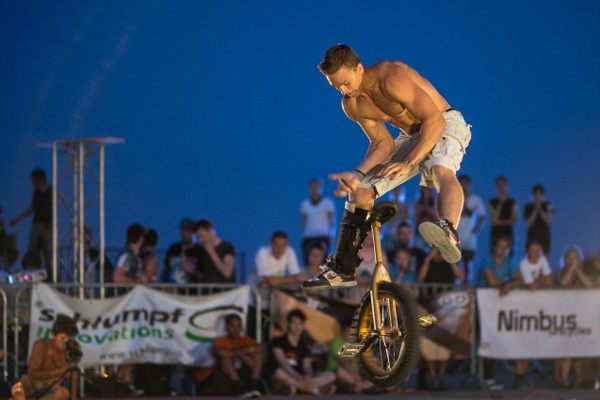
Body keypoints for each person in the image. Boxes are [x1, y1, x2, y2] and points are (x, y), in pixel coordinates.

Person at [302, 44, 471, 290]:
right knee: (360, 192)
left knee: (439, 169)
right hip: (410, 136)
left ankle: (448, 227)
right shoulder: (352, 104)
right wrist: (358, 174)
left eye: (345, 82)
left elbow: (433, 120)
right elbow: (382, 143)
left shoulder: (391, 78)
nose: (343, 90)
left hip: (443, 122)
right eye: (336, 86)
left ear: (359, 68)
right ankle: (343, 267)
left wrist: (409, 162)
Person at [267, 309, 336, 395]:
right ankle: (314, 390)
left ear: (303, 326)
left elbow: (306, 365)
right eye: (294, 323)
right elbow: (282, 362)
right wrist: (296, 375)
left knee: (331, 375)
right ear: (288, 324)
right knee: (279, 373)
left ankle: (300, 388)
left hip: (300, 378)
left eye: (300, 324)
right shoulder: (278, 341)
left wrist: (308, 377)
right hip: (286, 375)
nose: (297, 326)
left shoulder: (303, 346)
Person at [514, 240, 553, 388]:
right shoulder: (524, 264)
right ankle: (519, 374)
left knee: (531, 343)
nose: (536, 253)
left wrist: (540, 280)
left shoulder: (542, 260)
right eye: (533, 250)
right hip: (523, 309)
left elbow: (549, 282)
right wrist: (541, 278)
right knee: (522, 341)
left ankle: (521, 374)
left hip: (538, 310)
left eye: (538, 250)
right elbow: (532, 287)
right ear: (528, 252)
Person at [554, 246, 592, 388]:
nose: (573, 260)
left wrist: (577, 270)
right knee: (565, 349)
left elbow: (588, 285)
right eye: (570, 257)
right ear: (564, 260)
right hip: (564, 316)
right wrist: (571, 269)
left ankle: (580, 378)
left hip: (581, 316)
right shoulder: (559, 272)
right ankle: (562, 379)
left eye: (575, 257)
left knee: (580, 349)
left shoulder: (584, 272)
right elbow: (564, 283)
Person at [15, 314, 78, 400]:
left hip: (56, 387)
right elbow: (32, 373)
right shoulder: (41, 345)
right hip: (36, 383)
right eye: (63, 338)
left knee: (63, 393)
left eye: (69, 339)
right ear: (54, 335)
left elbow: (74, 372)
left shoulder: (72, 348)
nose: (66, 342)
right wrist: (59, 371)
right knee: (23, 382)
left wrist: (73, 397)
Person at [9, 169, 53, 280]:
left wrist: (51, 228)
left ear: (39, 180)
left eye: (34, 180)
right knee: (32, 254)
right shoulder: (36, 193)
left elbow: (55, 210)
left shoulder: (50, 192)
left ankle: (50, 279)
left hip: (46, 226)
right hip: (36, 225)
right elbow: (32, 209)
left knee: (48, 255)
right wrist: (17, 219)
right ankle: (31, 276)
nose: (32, 183)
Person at [211, 314, 263, 396]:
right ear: (226, 328)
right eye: (232, 326)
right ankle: (239, 386)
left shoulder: (245, 339)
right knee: (225, 358)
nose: (236, 329)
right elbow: (219, 352)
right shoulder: (220, 340)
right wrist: (236, 353)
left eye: (238, 326)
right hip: (226, 373)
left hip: (244, 369)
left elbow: (261, 348)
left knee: (258, 355)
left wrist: (244, 353)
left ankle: (254, 383)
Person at [325, 321, 374, 394]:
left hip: (355, 375)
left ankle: (362, 386)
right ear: (343, 332)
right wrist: (357, 378)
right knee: (342, 371)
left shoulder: (354, 345)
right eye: (349, 333)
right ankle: (361, 386)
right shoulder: (336, 343)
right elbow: (344, 363)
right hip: (339, 374)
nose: (352, 335)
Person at [457, 174, 486, 284]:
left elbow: (482, 215)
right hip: (457, 237)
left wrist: (476, 230)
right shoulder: (455, 198)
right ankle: (457, 285)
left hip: (469, 239)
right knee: (456, 263)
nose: (463, 186)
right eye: (461, 183)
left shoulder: (475, 199)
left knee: (469, 264)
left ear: (469, 185)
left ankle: (468, 286)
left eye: (465, 183)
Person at [300, 179, 336, 265]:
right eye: (312, 187)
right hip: (309, 236)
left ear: (321, 188)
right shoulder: (305, 204)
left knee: (324, 263)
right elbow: (303, 220)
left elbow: (332, 220)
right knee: (308, 261)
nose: (314, 189)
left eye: (316, 187)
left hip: (323, 236)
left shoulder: (328, 202)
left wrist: (331, 235)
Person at [162, 218, 205, 284]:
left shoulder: (200, 251)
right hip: (171, 291)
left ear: (193, 232)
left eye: (187, 231)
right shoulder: (174, 248)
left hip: (190, 292)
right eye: (182, 230)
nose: (183, 233)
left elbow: (204, 276)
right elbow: (165, 270)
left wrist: (191, 271)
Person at [195, 219, 236, 283]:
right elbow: (203, 275)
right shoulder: (203, 250)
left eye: (202, 236)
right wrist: (191, 270)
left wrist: (212, 253)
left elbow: (227, 273)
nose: (200, 239)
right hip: (209, 291)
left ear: (210, 231)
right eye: (198, 237)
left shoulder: (226, 247)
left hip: (226, 291)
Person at [488, 176, 518, 253]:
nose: (501, 188)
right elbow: (493, 220)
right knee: (494, 256)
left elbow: (515, 219)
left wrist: (501, 222)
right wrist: (500, 203)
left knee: (510, 256)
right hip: (496, 234)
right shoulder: (492, 202)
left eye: (503, 185)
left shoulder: (512, 202)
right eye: (499, 186)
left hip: (508, 233)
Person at [524, 184, 554, 256]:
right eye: (536, 195)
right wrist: (535, 209)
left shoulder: (549, 205)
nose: (538, 197)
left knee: (546, 257)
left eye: (540, 194)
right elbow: (529, 222)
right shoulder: (528, 207)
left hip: (544, 235)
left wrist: (540, 209)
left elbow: (548, 220)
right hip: (532, 236)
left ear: (543, 195)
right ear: (533, 196)